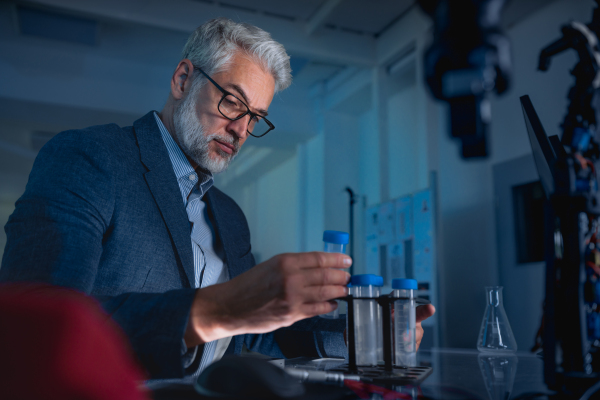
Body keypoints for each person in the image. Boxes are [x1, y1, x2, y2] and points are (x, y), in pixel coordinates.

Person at [0, 18, 435, 381]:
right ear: (183, 79)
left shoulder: (229, 216)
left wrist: (363, 335)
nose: (241, 130)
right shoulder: (91, 159)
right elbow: (36, 323)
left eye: (256, 117)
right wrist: (216, 309)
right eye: (232, 103)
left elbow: (249, 337)